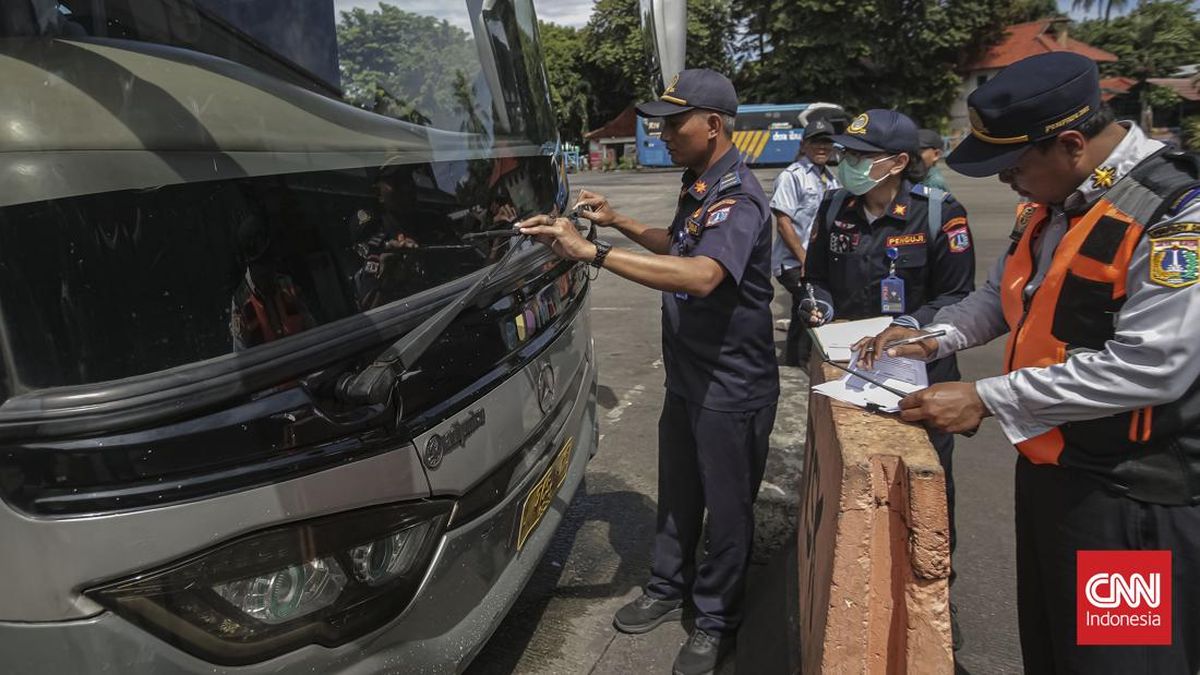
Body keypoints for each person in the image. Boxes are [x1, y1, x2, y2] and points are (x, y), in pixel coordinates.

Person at [859, 52, 1200, 673]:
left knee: (1120, 659)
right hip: (1053, 471)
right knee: (1053, 647)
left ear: (1070, 145)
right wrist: (931, 337)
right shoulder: (1053, 202)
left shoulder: (1173, 214)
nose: (1006, 181)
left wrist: (986, 397)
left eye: (1013, 166)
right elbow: (1001, 297)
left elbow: (1152, 366)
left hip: (1129, 497)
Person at [518, 68, 779, 675]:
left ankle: (716, 620)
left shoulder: (738, 197)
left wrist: (594, 251)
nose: (661, 134)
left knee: (728, 510)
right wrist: (619, 221)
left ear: (711, 125)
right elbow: (680, 245)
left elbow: (703, 274)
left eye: (672, 123)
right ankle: (667, 587)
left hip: (730, 385)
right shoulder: (700, 184)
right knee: (679, 492)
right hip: (689, 377)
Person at [803, 108, 976, 649]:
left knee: (925, 487)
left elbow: (958, 297)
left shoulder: (938, 213)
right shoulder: (834, 207)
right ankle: (859, 591)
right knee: (856, 479)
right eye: (845, 154)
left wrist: (909, 326)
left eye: (860, 156)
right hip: (851, 372)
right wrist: (816, 305)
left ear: (898, 162)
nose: (847, 163)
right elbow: (816, 276)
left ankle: (933, 592)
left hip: (918, 376)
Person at [770, 117, 839, 366]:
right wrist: (805, 262)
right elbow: (783, 223)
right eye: (815, 141)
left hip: (815, 262)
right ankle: (804, 361)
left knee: (801, 308)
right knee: (813, 308)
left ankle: (791, 359)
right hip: (793, 262)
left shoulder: (831, 179)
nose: (822, 147)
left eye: (826, 142)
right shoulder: (793, 176)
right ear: (803, 145)